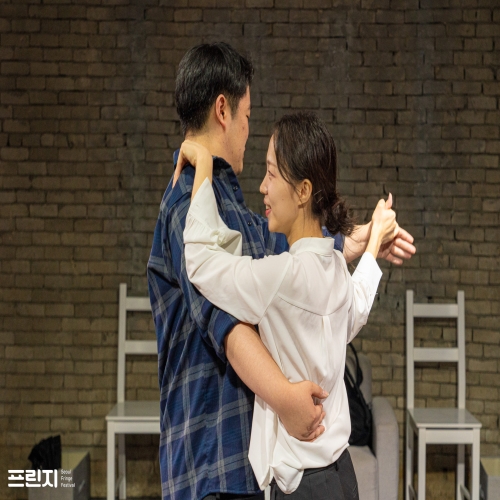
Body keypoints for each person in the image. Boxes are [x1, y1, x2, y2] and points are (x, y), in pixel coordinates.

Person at [147, 42, 416, 500]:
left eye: (273, 174)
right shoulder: (185, 203)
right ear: (223, 110)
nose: (248, 130)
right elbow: (228, 325)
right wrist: (284, 397)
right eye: (248, 115)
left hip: (252, 469)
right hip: (210, 462)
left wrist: (367, 238)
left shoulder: (234, 209)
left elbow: (301, 261)